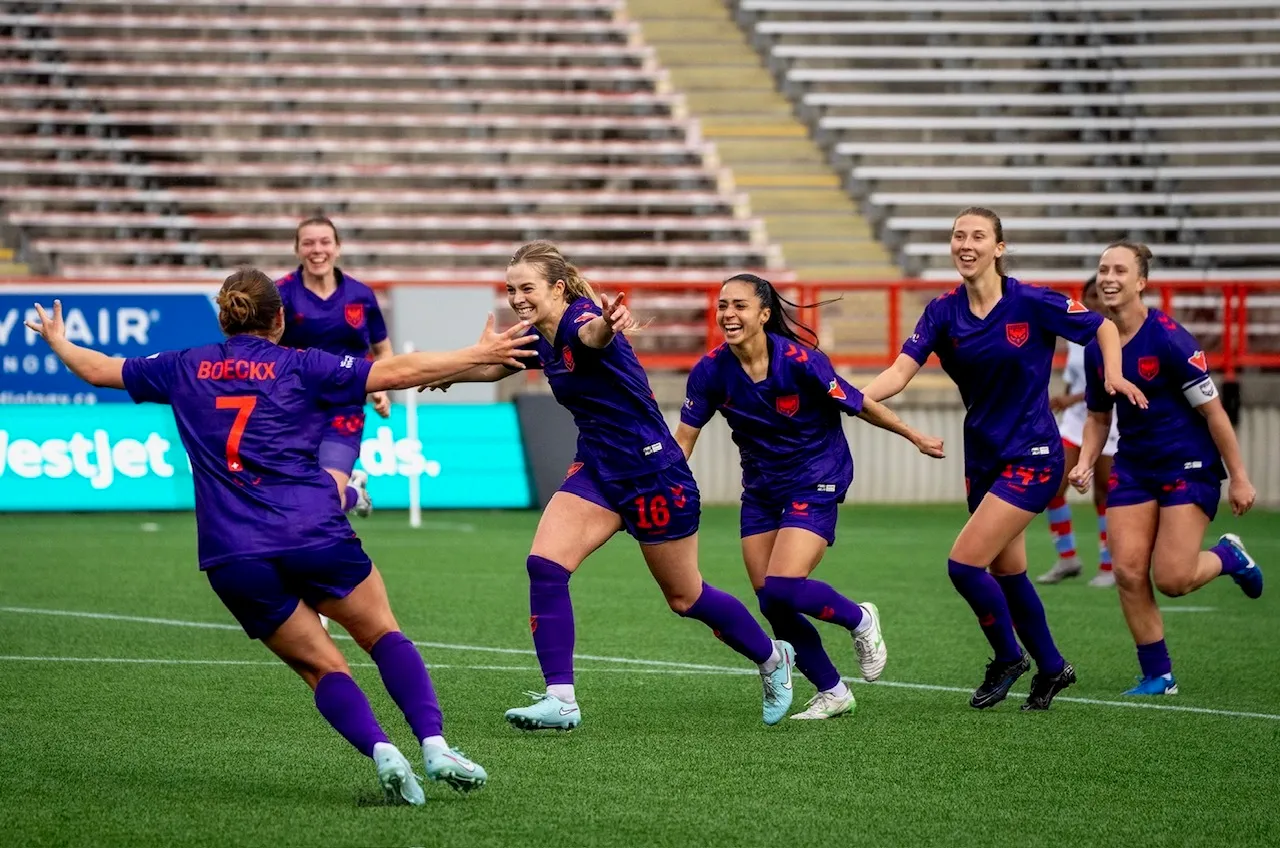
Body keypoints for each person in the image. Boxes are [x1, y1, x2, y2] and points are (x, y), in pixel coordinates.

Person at [24, 269, 539, 804]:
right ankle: (434, 745)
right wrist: (474, 354)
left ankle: (383, 752)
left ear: (224, 319)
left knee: (322, 667)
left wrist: (59, 339)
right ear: (281, 319)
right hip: (312, 533)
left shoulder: (183, 366)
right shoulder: (302, 364)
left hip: (232, 554)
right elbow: (396, 371)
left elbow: (99, 370)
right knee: (383, 635)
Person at [422, 241, 798, 729]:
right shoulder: (544, 332)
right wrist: (450, 374)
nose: (516, 297)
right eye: (511, 288)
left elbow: (593, 336)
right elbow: (500, 363)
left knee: (686, 598)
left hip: (653, 475)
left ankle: (772, 657)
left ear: (558, 288)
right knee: (545, 565)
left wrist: (607, 323)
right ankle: (561, 699)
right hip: (599, 469)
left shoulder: (580, 323)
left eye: (527, 288)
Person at [861, 207, 1148, 711]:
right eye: (957, 235)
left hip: (1035, 454)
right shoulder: (941, 311)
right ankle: (1053, 667)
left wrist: (1115, 375)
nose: (965, 244)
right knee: (1009, 575)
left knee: (963, 565)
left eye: (977, 236)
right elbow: (900, 372)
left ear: (999, 248)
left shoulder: (1032, 301)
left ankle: (1007, 657)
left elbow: (1102, 328)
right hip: (983, 456)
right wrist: (850, 397)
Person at [674, 273, 945, 720]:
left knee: (784, 584)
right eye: (722, 305)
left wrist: (913, 435)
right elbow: (685, 437)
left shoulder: (801, 360)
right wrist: (665, 479)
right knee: (770, 599)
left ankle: (859, 619)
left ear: (764, 314)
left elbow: (857, 402)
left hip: (817, 474)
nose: (728, 314)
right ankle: (832, 691)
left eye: (739, 305)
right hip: (761, 488)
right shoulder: (709, 371)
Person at [1067, 242, 1262, 696]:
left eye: (1119, 270)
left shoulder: (1172, 339)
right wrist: (1085, 462)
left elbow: (1215, 413)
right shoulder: (1097, 348)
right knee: (1128, 571)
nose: (1108, 278)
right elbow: (1098, 418)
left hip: (1187, 464)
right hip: (1134, 467)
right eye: (1102, 270)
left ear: (1141, 282)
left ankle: (1229, 557)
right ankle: (1159, 674)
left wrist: (1240, 477)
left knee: (1173, 579)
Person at [277, 217, 392, 519]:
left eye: (325, 242)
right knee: (293, 500)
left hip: (345, 408)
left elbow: (381, 349)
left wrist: (380, 387)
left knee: (321, 500)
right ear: (297, 249)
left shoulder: (360, 295)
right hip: (293, 410)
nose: (317, 250)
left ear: (338, 247)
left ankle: (347, 490)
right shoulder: (280, 295)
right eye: (308, 242)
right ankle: (353, 493)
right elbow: (264, 351)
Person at [1038, 276, 1121, 588]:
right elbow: (1077, 379)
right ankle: (1067, 557)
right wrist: (1067, 398)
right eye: (1089, 297)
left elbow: (1106, 386)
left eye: (1098, 296)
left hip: (1106, 421)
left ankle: (1109, 564)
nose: (1094, 303)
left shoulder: (1116, 336)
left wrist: (1068, 398)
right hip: (1074, 423)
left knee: (1104, 493)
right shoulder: (1077, 336)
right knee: (1053, 486)